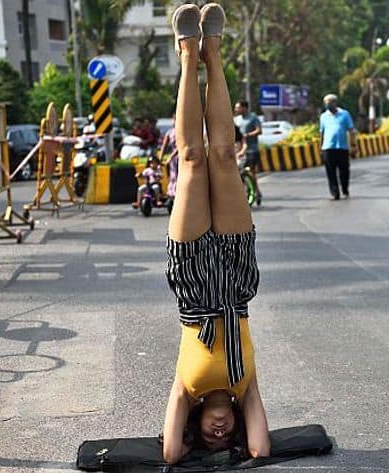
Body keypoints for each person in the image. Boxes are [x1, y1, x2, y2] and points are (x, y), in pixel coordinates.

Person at [162, 3, 269, 464]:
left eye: (210, 439)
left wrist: (186, 447)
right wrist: (244, 444)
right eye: (226, 440)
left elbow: (168, 455)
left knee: (191, 161)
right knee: (224, 156)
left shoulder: (187, 389)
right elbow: (261, 449)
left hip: (192, 286)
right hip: (238, 281)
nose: (219, 433)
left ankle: (188, 54)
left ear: (196, 426)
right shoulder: (245, 387)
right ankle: (214, 53)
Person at [319, 94, 356, 200]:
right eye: (326, 103)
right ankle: (335, 193)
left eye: (330, 102)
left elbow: (351, 130)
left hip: (342, 148)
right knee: (330, 172)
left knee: (344, 171)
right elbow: (322, 133)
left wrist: (353, 145)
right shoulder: (323, 116)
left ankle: (345, 189)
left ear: (335, 103)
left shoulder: (344, 114)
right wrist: (320, 147)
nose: (328, 105)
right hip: (328, 148)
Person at [234, 101, 262, 203]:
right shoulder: (236, 120)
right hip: (237, 151)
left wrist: (248, 135)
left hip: (251, 150)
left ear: (245, 108)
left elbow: (259, 130)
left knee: (251, 172)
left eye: (238, 108)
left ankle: (257, 192)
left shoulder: (253, 118)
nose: (236, 110)